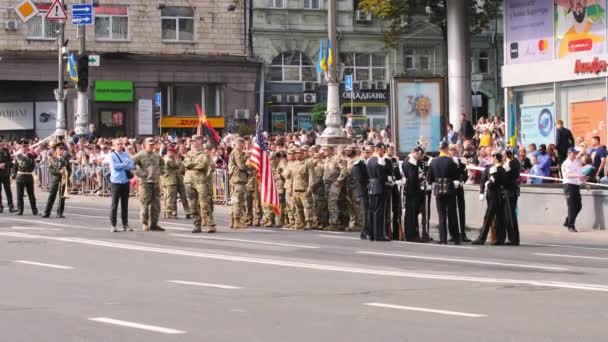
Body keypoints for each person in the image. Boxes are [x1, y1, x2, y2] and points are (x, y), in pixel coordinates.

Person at [472, 152, 511, 245]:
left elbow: (492, 183)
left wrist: (488, 184)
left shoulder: (494, 169)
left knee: (488, 217)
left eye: (493, 158)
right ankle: (500, 239)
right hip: (501, 195)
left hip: (493, 195)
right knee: (500, 218)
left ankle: (481, 238)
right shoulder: (504, 169)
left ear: (496, 159)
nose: (492, 160)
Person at [427, 141, 460, 244]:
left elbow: (429, 178)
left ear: (439, 149)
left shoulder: (433, 162)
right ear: (446, 149)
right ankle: (455, 237)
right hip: (449, 189)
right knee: (452, 214)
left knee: (441, 215)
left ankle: (443, 238)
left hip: (438, 190)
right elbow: (456, 177)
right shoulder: (451, 161)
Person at [133, 137, 165, 231]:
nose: (151, 146)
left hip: (155, 182)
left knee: (156, 205)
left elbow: (162, 163)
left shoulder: (156, 155)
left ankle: (154, 224)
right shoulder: (140, 155)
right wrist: (140, 173)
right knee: (145, 204)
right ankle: (145, 223)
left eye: (152, 144)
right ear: (145, 145)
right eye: (149, 144)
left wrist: (162, 171)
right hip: (145, 183)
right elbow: (131, 164)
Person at [184, 136, 214, 233]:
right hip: (189, 181)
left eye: (195, 141)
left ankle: (210, 224)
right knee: (192, 205)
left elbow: (204, 165)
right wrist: (195, 164)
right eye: (192, 141)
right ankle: (197, 225)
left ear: (200, 141)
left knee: (204, 203)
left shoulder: (205, 154)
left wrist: (193, 164)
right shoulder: (189, 153)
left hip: (201, 181)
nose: (193, 143)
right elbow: (186, 164)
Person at [108, 139, 134, 232]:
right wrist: (124, 164)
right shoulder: (111, 155)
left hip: (125, 182)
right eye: (118, 144)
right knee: (114, 205)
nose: (120, 145)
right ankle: (113, 225)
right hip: (116, 182)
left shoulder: (126, 154)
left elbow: (132, 165)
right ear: (114, 145)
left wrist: (123, 165)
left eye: (121, 144)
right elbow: (115, 167)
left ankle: (125, 224)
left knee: (125, 204)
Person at [41, 143, 71, 218]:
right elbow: (50, 170)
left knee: (62, 197)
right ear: (56, 150)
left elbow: (69, 170)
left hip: (63, 179)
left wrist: (67, 175)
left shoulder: (66, 159)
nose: (61, 151)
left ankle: (60, 212)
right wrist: (59, 171)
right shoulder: (53, 159)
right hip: (56, 179)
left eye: (62, 149)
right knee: (52, 196)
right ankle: (47, 212)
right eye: (60, 149)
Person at [367, 142, 389, 241]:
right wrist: (388, 179)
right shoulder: (380, 160)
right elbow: (381, 176)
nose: (384, 151)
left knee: (371, 211)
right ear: (380, 149)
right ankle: (378, 234)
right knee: (378, 212)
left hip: (372, 187)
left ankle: (371, 233)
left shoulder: (370, 160)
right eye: (383, 149)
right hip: (379, 187)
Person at [402, 145, 424, 242]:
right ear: (415, 153)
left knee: (411, 214)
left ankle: (412, 234)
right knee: (411, 214)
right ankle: (412, 235)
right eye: (419, 155)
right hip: (412, 192)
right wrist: (420, 178)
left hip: (411, 191)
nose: (420, 157)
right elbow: (412, 179)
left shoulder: (409, 160)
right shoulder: (411, 163)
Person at [449, 145, 471, 242]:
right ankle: (453, 234)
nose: (453, 152)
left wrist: (462, 182)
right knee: (451, 211)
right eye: (451, 150)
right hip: (451, 188)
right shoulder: (448, 161)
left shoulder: (461, 161)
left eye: (454, 150)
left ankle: (463, 233)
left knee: (461, 211)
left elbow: (465, 174)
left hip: (459, 188)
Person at [561, 148, 585, 232]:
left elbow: (580, 174)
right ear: (569, 154)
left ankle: (568, 221)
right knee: (571, 206)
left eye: (575, 153)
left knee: (578, 206)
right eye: (573, 153)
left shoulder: (576, 162)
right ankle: (571, 225)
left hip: (576, 185)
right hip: (568, 185)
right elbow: (567, 175)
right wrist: (578, 176)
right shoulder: (566, 163)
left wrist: (585, 183)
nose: (575, 155)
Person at [12, 140, 38, 216]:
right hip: (20, 176)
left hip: (29, 176)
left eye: (25, 146)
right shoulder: (18, 156)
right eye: (23, 147)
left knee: (31, 194)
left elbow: (33, 166)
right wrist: (14, 175)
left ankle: (34, 210)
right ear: (20, 147)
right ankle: (20, 210)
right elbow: (15, 167)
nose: (24, 148)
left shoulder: (31, 156)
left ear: (28, 147)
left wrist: (28, 170)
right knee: (20, 194)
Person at [228, 138, 248, 229]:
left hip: (235, 179)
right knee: (238, 201)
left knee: (235, 201)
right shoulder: (237, 153)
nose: (244, 146)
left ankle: (232, 221)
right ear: (240, 144)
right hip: (238, 179)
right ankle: (237, 221)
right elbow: (241, 166)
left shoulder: (234, 152)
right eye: (243, 144)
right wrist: (248, 163)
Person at [503, 149, 521, 245]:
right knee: (510, 215)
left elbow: (507, 178)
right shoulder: (515, 162)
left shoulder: (511, 164)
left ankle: (513, 239)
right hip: (512, 191)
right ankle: (512, 238)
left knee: (511, 215)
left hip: (509, 191)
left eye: (504, 155)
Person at [352, 146, 370, 239]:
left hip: (367, 190)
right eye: (366, 152)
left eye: (369, 152)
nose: (368, 154)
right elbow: (359, 179)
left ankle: (367, 230)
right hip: (362, 190)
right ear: (362, 152)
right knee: (365, 212)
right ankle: (364, 231)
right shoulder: (359, 163)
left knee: (368, 211)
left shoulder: (367, 162)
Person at [0, 137, 15, 213]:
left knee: (8, 191)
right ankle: (0, 206)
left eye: (1, 141)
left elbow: (10, 161)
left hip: (5, 173)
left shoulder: (6, 151)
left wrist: (5, 164)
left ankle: (11, 206)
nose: (1, 143)